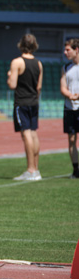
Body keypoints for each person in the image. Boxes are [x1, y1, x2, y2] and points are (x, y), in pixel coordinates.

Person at [7, 34, 43, 181]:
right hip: (34, 102)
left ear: (21, 44)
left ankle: (30, 170)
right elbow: (39, 87)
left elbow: (12, 84)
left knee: (26, 133)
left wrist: (9, 75)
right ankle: (36, 169)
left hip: (22, 102)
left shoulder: (17, 62)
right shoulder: (38, 63)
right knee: (33, 133)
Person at [60, 38, 79, 179]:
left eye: (68, 50)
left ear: (76, 49)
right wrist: (70, 95)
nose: (65, 52)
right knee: (71, 139)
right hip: (69, 108)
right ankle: (76, 169)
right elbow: (62, 87)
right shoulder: (66, 68)